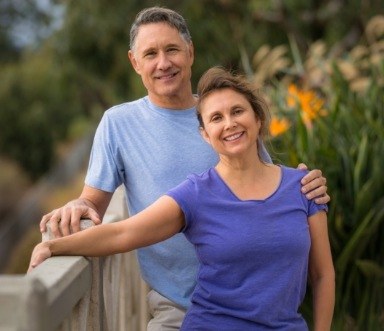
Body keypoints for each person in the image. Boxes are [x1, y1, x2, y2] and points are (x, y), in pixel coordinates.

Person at [37, 7, 330, 330]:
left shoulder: (227, 121)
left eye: (172, 49)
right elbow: (111, 221)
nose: (163, 63)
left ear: (190, 52)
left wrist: (305, 184)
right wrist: (70, 219)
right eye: (150, 54)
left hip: (263, 305)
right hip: (178, 307)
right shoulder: (120, 125)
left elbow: (263, 190)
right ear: (135, 62)